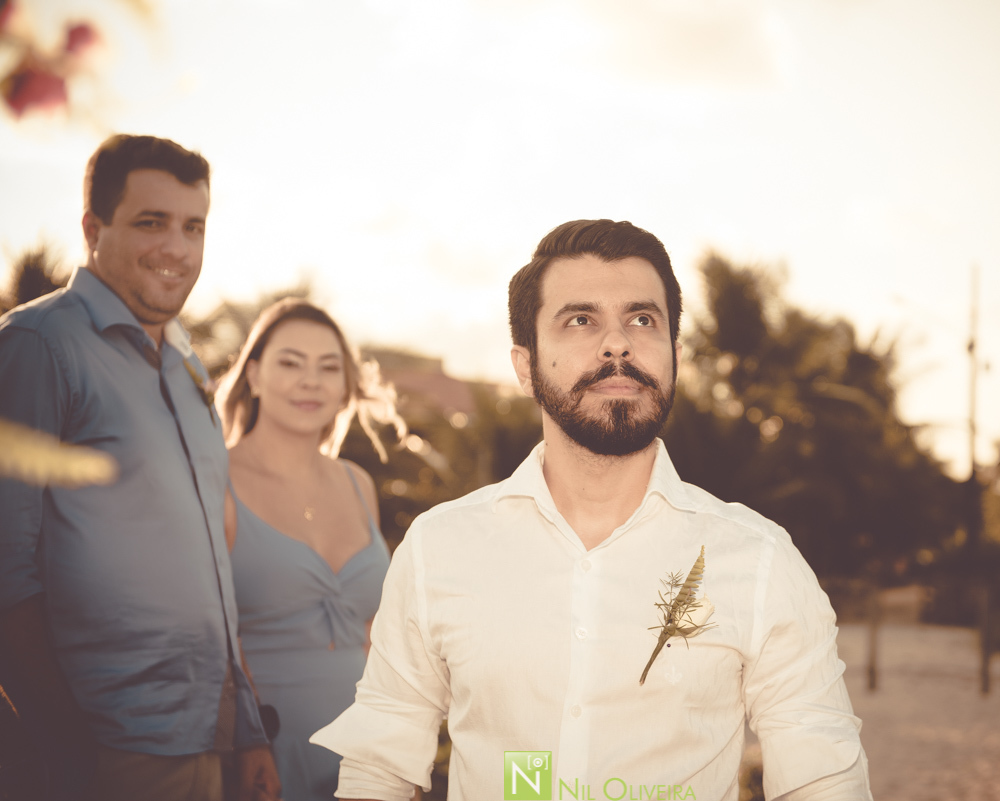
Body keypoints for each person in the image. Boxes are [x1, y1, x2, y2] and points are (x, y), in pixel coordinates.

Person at [311, 219, 873, 800]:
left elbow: (822, 777)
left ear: (674, 356)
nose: (618, 344)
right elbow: (380, 763)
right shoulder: (438, 549)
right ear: (526, 367)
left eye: (642, 319)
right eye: (581, 320)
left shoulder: (759, 562)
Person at [0, 134, 279, 801]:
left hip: (206, 740)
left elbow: (211, 569)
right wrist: (67, 746)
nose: (177, 249)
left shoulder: (187, 369)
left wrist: (245, 729)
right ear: (93, 228)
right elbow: (6, 565)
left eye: (193, 227)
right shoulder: (38, 345)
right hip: (108, 749)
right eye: (151, 222)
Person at [215, 298, 398, 801]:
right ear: (254, 374)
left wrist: (395, 744)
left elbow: (372, 636)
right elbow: (207, 634)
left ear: (345, 387)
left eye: (328, 367)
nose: (310, 381)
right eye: (290, 363)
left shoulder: (359, 484)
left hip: (365, 752)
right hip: (266, 751)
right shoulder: (215, 481)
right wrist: (248, 742)